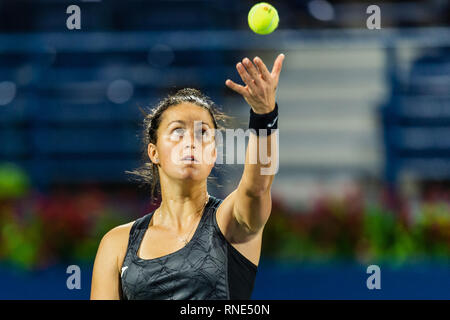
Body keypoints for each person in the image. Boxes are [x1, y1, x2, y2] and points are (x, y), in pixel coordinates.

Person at [90, 54, 285, 300]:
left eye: (202, 133)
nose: (191, 141)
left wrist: (265, 115)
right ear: (154, 152)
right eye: (178, 131)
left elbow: (257, 188)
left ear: (213, 154)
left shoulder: (229, 222)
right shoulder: (117, 244)